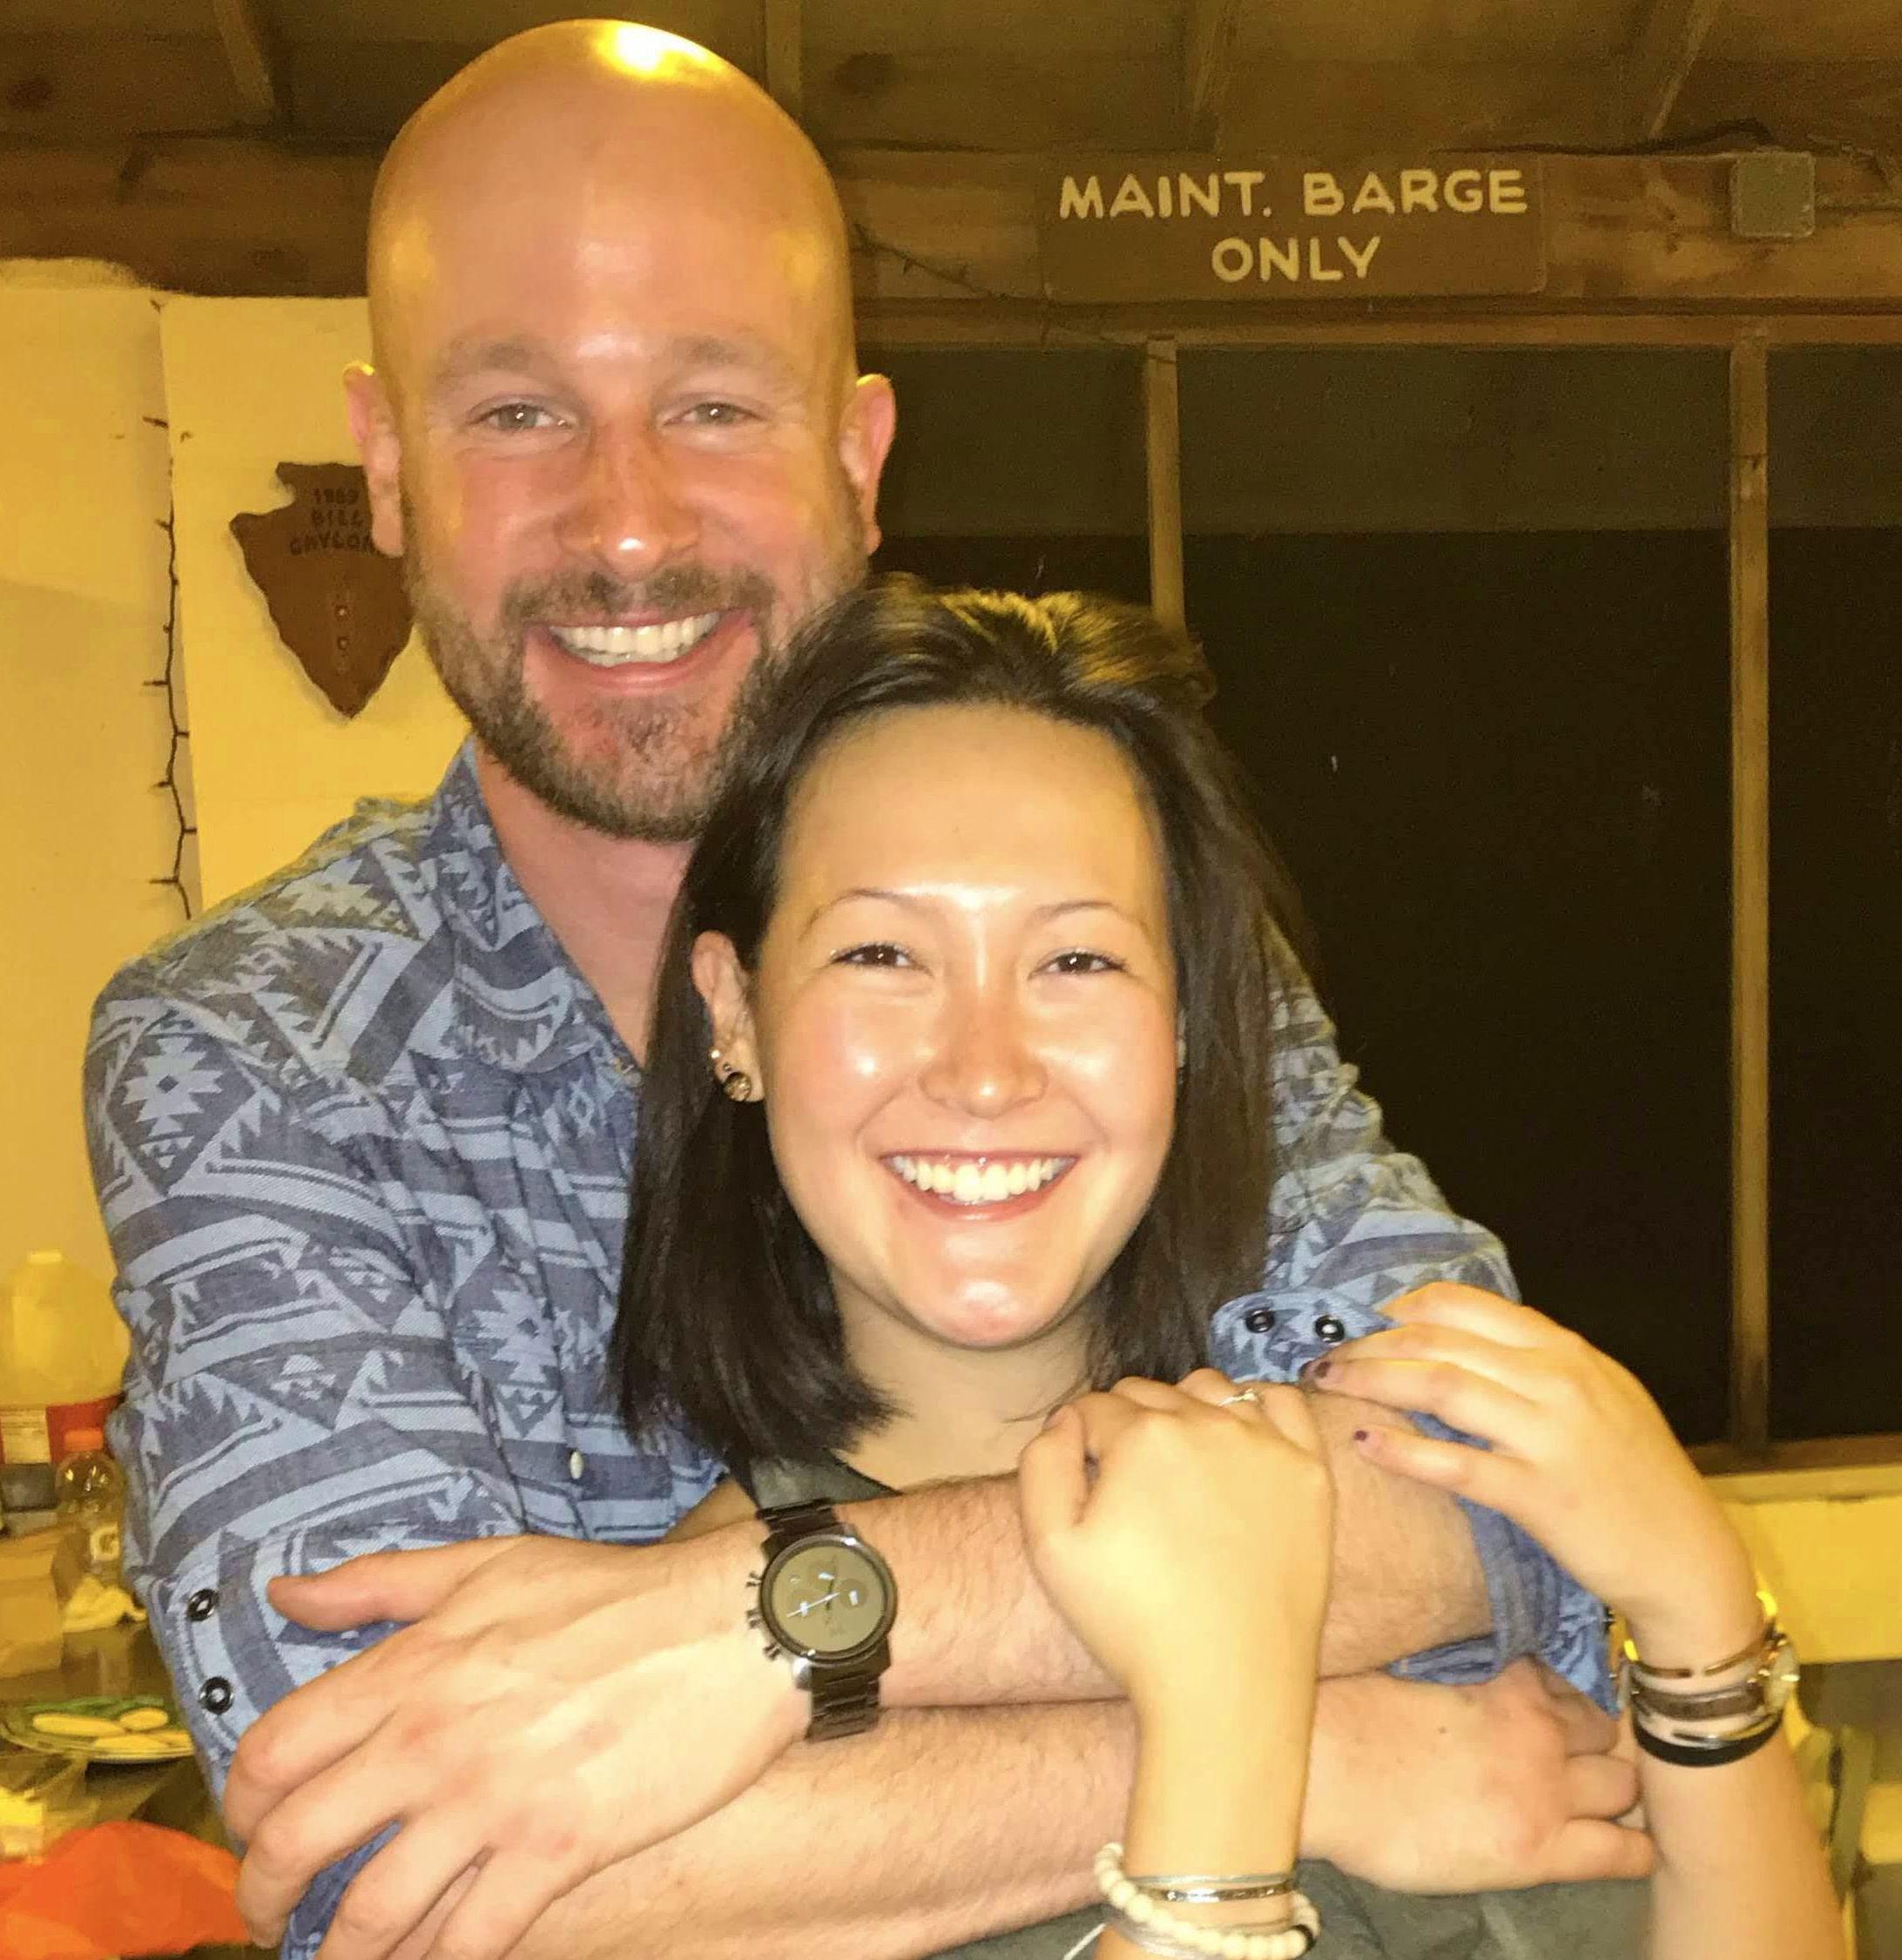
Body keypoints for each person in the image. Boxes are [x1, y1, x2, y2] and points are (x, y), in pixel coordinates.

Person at [85, 23, 1635, 1960]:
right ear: (388, 469)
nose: (628, 523)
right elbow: (383, 1859)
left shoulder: (1111, 921)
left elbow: (1511, 1500)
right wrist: (1285, 1747)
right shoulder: (252, 1050)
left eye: (714, 404)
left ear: (858, 456)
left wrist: (759, 1624)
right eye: (519, 410)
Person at [634, 578, 1839, 1960]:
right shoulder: (683, 1696)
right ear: (736, 1014)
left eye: (1076, 959)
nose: (985, 1071)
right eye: (882, 953)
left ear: (1194, 1024)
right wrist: (1240, 1726)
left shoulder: (1399, 1480)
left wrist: (1694, 1606)